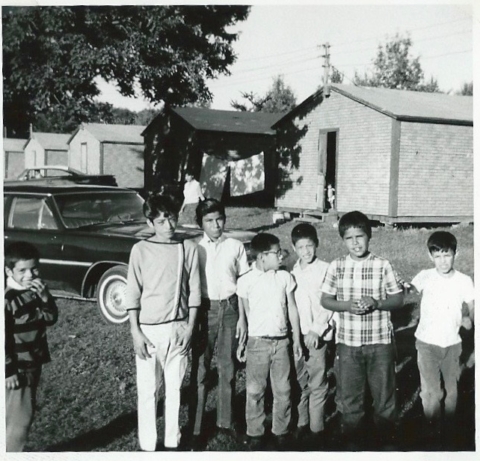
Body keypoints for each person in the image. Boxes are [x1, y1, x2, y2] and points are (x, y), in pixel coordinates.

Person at [321, 211, 404, 449]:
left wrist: (376, 303)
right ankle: (353, 445)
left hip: (380, 343)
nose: (355, 242)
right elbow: (326, 300)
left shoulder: (382, 265)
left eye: (360, 236)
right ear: (343, 240)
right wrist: (347, 305)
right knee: (350, 400)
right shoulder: (337, 266)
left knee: (385, 399)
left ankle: (386, 444)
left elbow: (398, 299)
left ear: (369, 236)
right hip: (348, 344)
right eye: (349, 238)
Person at [125, 194, 201, 451]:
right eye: (161, 221)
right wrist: (135, 331)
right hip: (148, 332)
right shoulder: (140, 250)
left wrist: (189, 327)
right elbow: (133, 293)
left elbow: (194, 292)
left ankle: (172, 441)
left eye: (172, 219)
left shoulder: (187, 248)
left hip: (178, 328)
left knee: (175, 389)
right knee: (147, 391)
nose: (168, 226)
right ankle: (148, 445)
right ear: (150, 223)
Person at [189, 199, 250, 450]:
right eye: (209, 221)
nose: (216, 225)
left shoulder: (235, 246)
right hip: (204, 311)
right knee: (201, 371)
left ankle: (226, 422)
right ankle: (195, 427)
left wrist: (244, 319)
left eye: (219, 219)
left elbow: (244, 283)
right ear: (200, 223)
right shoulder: (194, 248)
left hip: (230, 309)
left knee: (228, 367)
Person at [236, 233, 302, 450]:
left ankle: (280, 430)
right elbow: (244, 315)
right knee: (255, 390)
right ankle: (255, 431)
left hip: (281, 343)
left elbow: (292, 309)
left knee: (283, 389)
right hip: (258, 344)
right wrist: (243, 340)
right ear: (263, 256)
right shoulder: (246, 280)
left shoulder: (284, 277)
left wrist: (296, 339)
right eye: (277, 252)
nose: (281, 255)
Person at [408, 231, 474, 444]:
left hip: (452, 344)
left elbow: (473, 306)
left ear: (456, 253)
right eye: (437, 256)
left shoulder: (464, 280)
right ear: (430, 257)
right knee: (432, 392)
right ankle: (431, 429)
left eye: (447, 255)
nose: (442, 261)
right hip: (427, 343)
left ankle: (449, 430)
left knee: (452, 391)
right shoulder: (424, 276)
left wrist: (470, 319)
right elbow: (406, 292)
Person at [4, 241, 58, 452]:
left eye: (34, 268)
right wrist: (9, 370)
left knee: (20, 412)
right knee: (20, 419)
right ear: (9, 270)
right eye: (22, 270)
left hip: (33, 363)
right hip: (18, 368)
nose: (30, 275)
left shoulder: (35, 292)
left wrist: (45, 298)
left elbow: (50, 319)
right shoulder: (8, 300)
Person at [290, 223, 333, 446]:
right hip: (298, 335)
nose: (306, 251)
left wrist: (317, 328)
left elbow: (329, 303)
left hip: (317, 333)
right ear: (294, 248)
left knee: (317, 382)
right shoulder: (292, 272)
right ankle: (301, 424)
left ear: (316, 244)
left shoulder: (326, 269)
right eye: (300, 247)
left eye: (309, 245)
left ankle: (317, 430)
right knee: (300, 381)